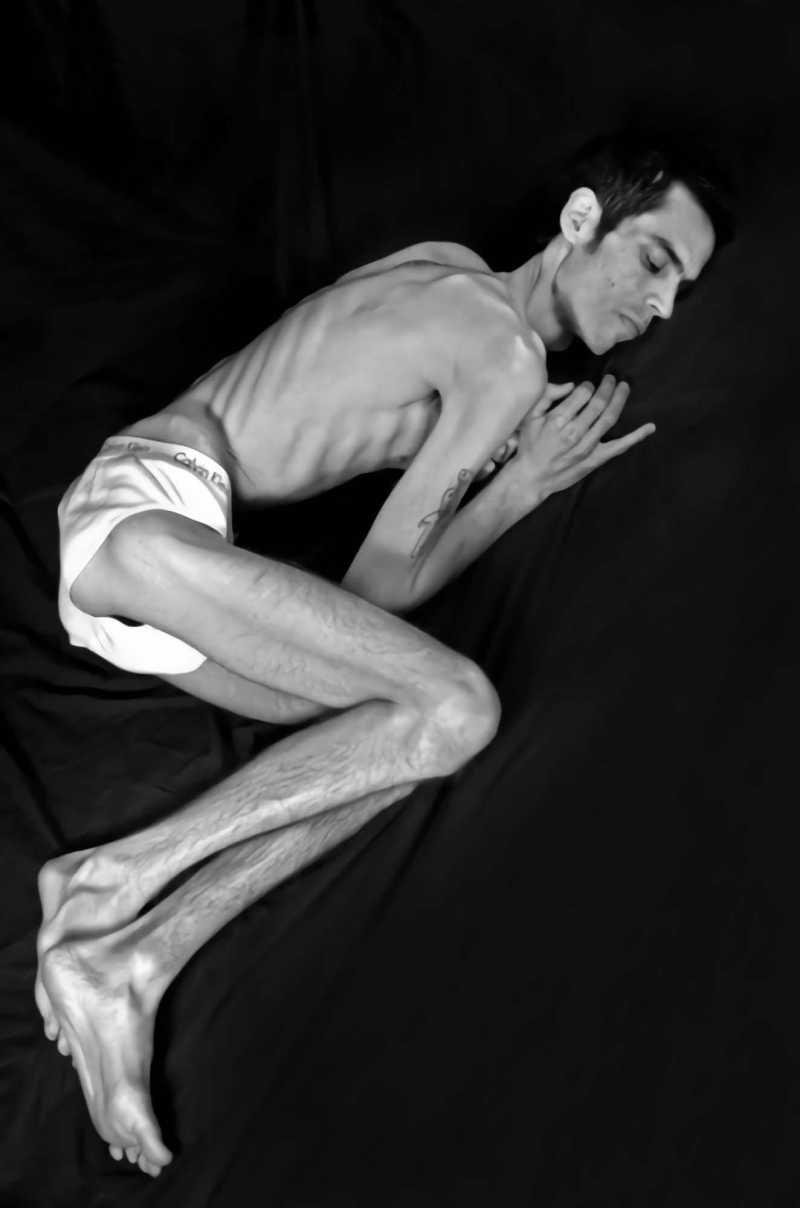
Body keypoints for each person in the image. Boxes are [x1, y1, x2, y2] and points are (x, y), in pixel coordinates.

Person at [35, 130, 731, 1176]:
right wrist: (516, 486)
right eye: (655, 262)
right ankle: (108, 883)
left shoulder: (446, 266)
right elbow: (372, 597)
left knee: (392, 742)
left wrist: (494, 436)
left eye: (682, 289)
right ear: (582, 219)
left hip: (146, 551)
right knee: (455, 708)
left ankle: (135, 955)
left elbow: (338, 396)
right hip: (145, 520)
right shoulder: (504, 358)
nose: (663, 308)